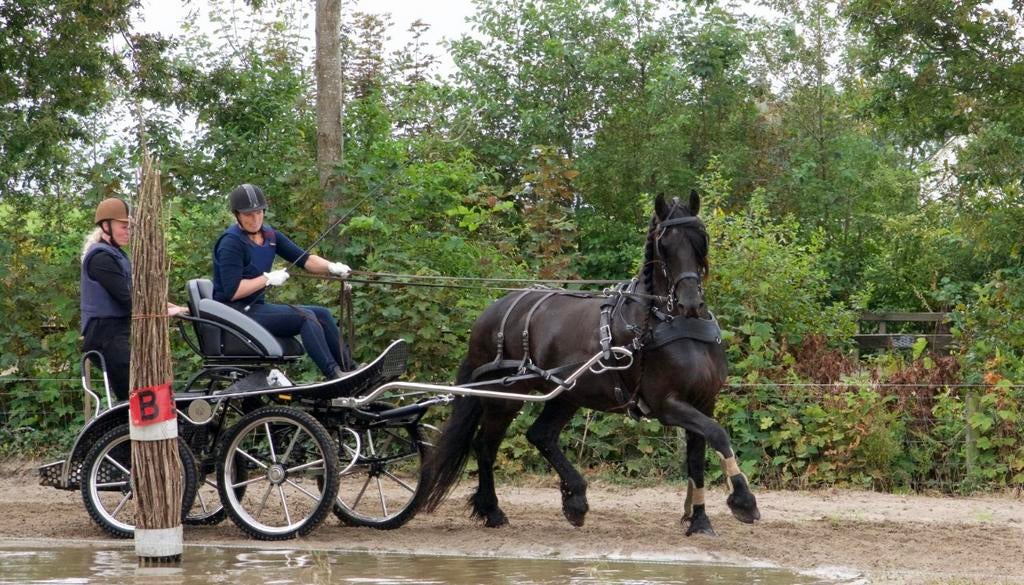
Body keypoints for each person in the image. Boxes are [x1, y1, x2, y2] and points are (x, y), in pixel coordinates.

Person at [211, 183, 355, 379]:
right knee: (306, 316)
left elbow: (306, 260)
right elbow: (233, 291)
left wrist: (331, 267)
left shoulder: (270, 236)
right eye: (249, 215)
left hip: (256, 308)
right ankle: (333, 375)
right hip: (235, 313)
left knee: (322, 313)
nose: (255, 219)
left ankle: (350, 369)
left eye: (259, 212)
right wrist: (267, 279)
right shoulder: (231, 243)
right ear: (237, 215)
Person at [80, 198, 186, 401]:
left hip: (117, 332)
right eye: (124, 226)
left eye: (130, 227)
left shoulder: (117, 254)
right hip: (105, 335)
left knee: (138, 390)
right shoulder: (101, 259)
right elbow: (128, 300)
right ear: (105, 225)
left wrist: (177, 307)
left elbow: (138, 293)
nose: (128, 231)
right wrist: (164, 311)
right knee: (131, 396)